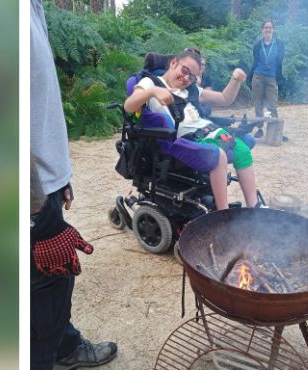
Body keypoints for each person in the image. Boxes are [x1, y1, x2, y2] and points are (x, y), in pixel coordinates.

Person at [31, 1, 118, 368]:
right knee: (38, 296)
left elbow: (38, 95)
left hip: (41, 180)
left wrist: (60, 173)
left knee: (53, 284)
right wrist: (38, 212)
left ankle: (65, 347)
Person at [123, 50, 263, 210]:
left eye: (192, 77)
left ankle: (255, 207)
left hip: (207, 131)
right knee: (219, 156)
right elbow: (129, 105)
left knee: (242, 150)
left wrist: (235, 80)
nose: (186, 78)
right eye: (184, 71)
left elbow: (225, 99)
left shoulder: (191, 89)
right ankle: (222, 213)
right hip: (182, 140)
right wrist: (153, 92)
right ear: (173, 62)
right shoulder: (150, 82)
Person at [251, 20, 284, 118]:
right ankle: (260, 129)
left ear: (273, 29)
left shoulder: (279, 44)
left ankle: (274, 131)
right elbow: (255, 61)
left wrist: (279, 77)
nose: (268, 29)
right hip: (258, 76)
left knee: (272, 106)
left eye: (270, 27)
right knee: (258, 105)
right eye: (266, 27)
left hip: (272, 77)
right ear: (262, 30)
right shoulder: (257, 45)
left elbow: (280, 61)